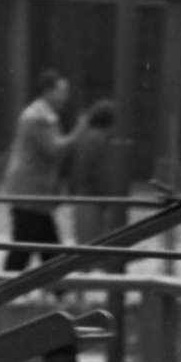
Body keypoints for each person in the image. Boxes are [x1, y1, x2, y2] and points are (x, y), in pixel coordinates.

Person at [1, 70, 87, 272]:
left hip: (34, 193)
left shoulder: (43, 115)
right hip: (30, 192)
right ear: (47, 91)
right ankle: (4, 290)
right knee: (29, 246)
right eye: (62, 91)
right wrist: (79, 131)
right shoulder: (38, 118)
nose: (66, 96)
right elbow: (55, 150)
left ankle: (56, 289)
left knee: (40, 245)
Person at [65, 99, 115, 250]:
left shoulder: (85, 138)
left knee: (84, 245)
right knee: (94, 246)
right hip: (93, 197)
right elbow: (101, 172)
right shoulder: (99, 140)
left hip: (81, 195)